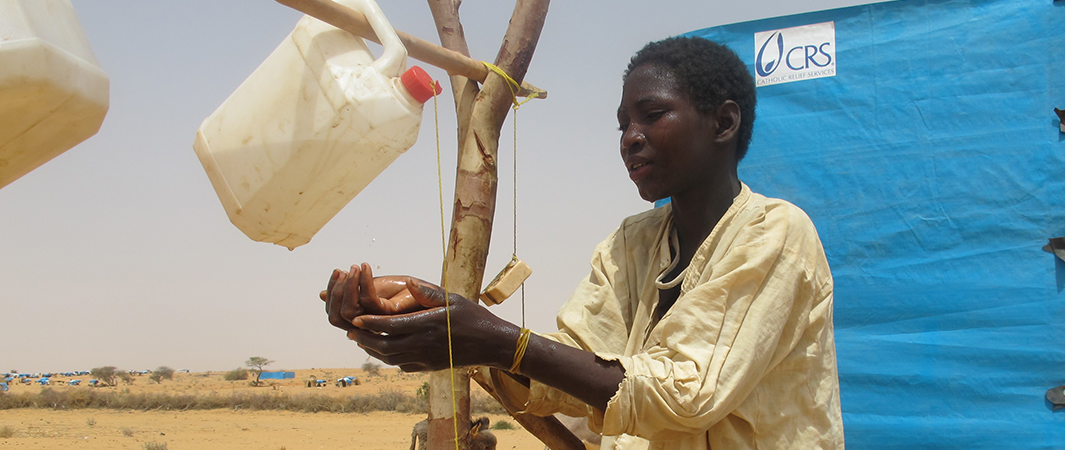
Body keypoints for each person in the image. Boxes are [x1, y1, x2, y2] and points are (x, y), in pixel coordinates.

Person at [321, 36, 844, 450]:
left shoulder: (775, 233)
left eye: (652, 115)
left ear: (723, 122)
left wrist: (494, 339)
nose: (629, 137)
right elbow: (569, 366)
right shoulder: (633, 242)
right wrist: (431, 317)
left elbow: (685, 395)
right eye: (622, 124)